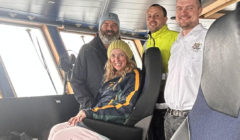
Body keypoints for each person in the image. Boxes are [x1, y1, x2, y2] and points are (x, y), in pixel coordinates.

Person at [48, 40, 142, 140]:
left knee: (61, 136)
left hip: (111, 126)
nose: (116, 59)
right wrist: (84, 114)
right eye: (113, 55)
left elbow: (125, 109)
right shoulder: (109, 77)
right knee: (56, 129)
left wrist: (90, 113)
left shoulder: (132, 76)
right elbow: (98, 104)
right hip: (98, 121)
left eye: (121, 55)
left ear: (127, 56)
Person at [164, 0, 208, 139]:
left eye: (189, 8)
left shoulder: (208, 38)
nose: (183, 13)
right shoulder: (176, 44)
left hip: (192, 117)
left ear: (199, 10)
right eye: (179, 8)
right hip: (169, 116)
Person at [70, 13, 120, 110]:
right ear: (100, 28)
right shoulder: (86, 50)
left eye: (114, 25)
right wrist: (91, 106)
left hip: (118, 111)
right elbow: (77, 81)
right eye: (106, 24)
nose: (110, 28)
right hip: (91, 110)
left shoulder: (126, 52)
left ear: (118, 29)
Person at [144, 4, 178, 140]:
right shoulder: (146, 44)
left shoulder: (176, 38)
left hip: (171, 102)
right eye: (149, 16)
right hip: (152, 102)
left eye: (157, 16)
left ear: (165, 19)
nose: (152, 19)